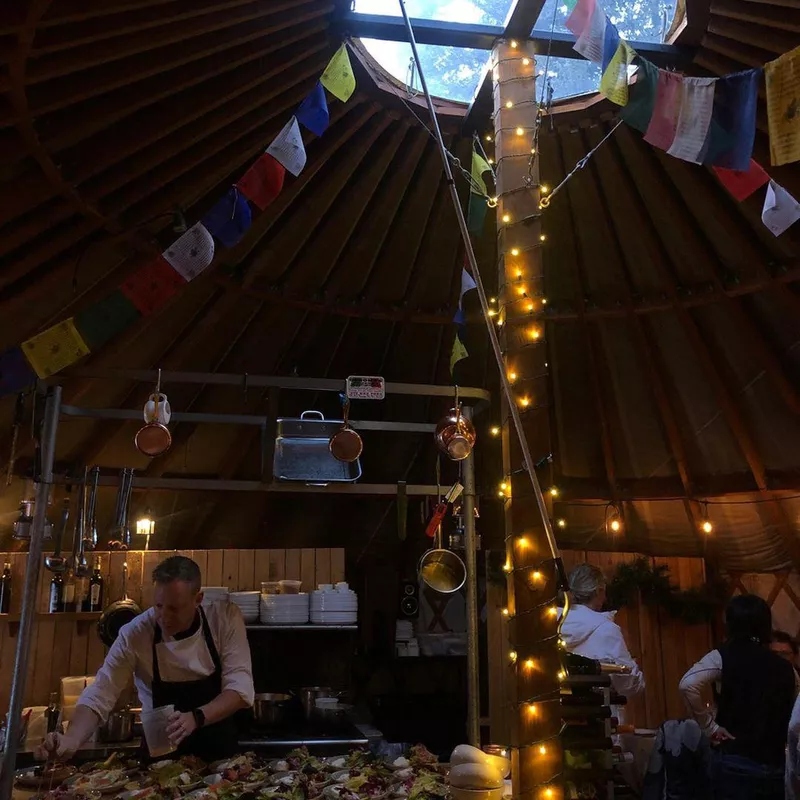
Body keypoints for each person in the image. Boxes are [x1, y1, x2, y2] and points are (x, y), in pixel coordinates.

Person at [38, 556, 254, 762]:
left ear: (198, 599)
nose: (164, 617)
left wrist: (196, 717)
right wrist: (72, 738)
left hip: (219, 756)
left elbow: (239, 689)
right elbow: (101, 692)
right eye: (159, 606)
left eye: (174, 609)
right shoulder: (136, 633)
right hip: (161, 754)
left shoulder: (224, 618)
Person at [679, 594, 796, 800]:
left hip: (735, 762)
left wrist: (710, 728)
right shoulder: (787, 668)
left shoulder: (723, 655)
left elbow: (688, 684)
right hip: (776, 766)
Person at [559, 563, 645, 719]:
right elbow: (629, 683)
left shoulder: (552, 625)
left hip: (561, 720)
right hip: (600, 723)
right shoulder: (606, 629)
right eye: (604, 591)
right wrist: (634, 665)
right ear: (598, 591)